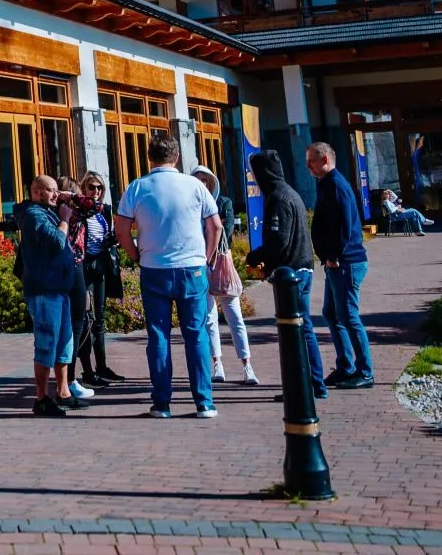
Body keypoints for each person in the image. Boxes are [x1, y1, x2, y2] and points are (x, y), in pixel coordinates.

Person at [116, 135, 220, 418]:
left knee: (159, 336)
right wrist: (206, 257)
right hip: (192, 267)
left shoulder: (137, 187)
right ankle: (204, 402)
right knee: (196, 334)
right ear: (176, 157)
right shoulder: (195, 186)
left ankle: (162, 403)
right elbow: (215, 226)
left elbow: (121, 231)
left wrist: (136, 256)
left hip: (154, 267)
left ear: (149, 156)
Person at [244, 148, 326, 399]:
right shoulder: (289, 192)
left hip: (292, 272)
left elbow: (278, 241)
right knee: (303, 327)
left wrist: (256, 256)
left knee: (296, 329)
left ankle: (305, 387)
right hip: (302, 267)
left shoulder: (278, 198)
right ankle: (313, 383)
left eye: (256, 174)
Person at [307, 142, 374, 390]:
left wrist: (334, 255)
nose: (308, 166)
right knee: (332, 314)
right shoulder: (327, 184)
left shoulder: (336, 185)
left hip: (346, 263)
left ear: (325, 159)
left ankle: (365, 372)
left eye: (311, 161)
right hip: (336, 263)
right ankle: (346, 367)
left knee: (348, 315)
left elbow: (344, 224)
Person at [15, 173, 81, 415]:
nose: (56, 194)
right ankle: (41, 398)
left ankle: (63, 392)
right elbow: (55, 242)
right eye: (51, 190)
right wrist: (64, 219)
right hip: (44, 291)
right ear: (37, 192)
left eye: (56, 190)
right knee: (46, 343)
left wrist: (71, 201)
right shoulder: (33, 215)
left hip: (60, 289)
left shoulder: (48, 212)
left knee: (64, 342)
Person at [193, 166, 259, 386]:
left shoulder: (223, 202)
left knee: (235, 316)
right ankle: (217, 363)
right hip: (201, 266)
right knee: (209, 318)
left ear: (212, 182)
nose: (201, 183)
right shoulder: (190, 206)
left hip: (221, 262)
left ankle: (247, 365)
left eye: (205, 180)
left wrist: (212, 230)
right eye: (197, 179)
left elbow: (226, 230)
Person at [75, 172, 125, 387]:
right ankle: (87, 370)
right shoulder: (79, 210)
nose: (95, 191)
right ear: (84, 189)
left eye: (99, 188)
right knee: (86, 319)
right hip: (84, 267)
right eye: (91, 187)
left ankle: (101, 366)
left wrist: (113, 240)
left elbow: (110, 235)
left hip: (100, 266)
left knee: (100, 319)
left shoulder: (104, 210)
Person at [54, 176, 97, 401]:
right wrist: (72, 197)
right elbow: (96, 207)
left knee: (68, 325)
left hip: (62, 269)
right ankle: (68, 381)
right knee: (75, 325)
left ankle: (66, 380)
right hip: (73, 266)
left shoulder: (56, 212)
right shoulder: (70, 212)